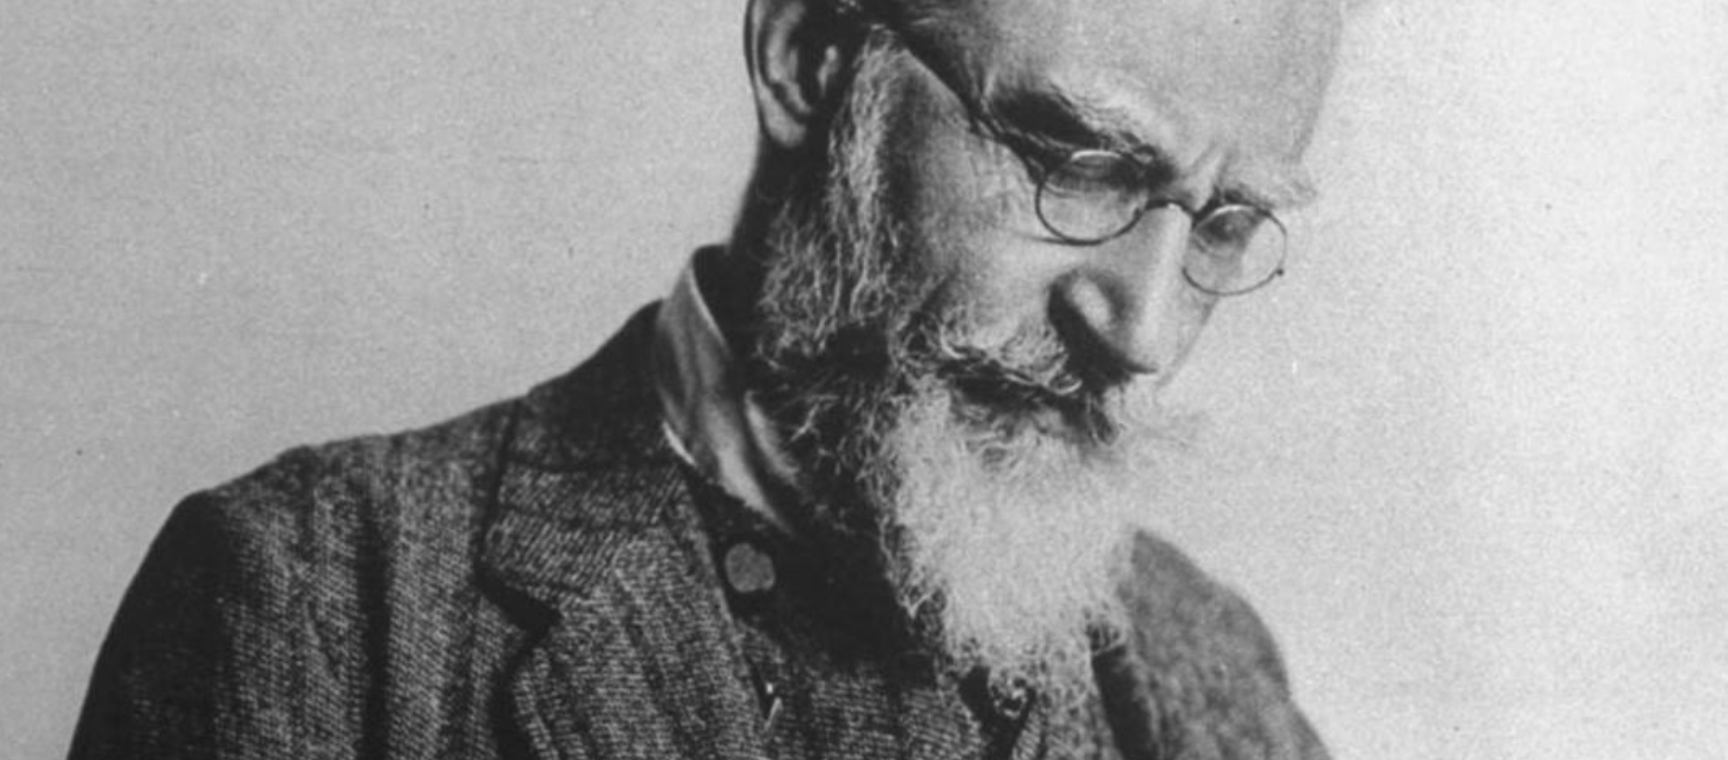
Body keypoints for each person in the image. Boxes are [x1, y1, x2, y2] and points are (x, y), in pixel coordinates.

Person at [70, 0, 1344, 756]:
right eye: (1080, 164)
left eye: (1225, 220)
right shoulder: (311, 605)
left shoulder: (1216, 673)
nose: (1145, 329)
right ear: (806, 57)